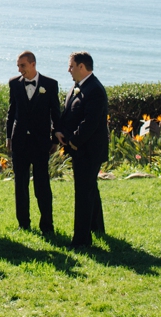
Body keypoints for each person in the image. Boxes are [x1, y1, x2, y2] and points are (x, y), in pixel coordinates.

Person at [55, 51, 109, 248]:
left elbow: (91, 121)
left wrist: (74, 141)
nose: (68, 70)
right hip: (79, 148)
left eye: (71, 66)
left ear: (81, 66)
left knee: (83, 193)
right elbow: (69, 113)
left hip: (89, 150)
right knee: (90, 189)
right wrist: (59, 131)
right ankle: (96, 227)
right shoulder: (77, 87)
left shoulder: (94, 89)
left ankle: (81, 240)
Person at [6, 50, 60, 235]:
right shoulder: (14, 84)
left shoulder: (50, 85)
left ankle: (47, 224)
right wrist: (8, 137)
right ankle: (23, 223)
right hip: (19, 141)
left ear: (33, 64)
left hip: (40, 142)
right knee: (20, 185)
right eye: (18, 66)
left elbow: (55, 114)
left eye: (23, 66)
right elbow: (11, 112)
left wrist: (54, 139)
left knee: (42, 184)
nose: (20, 69)